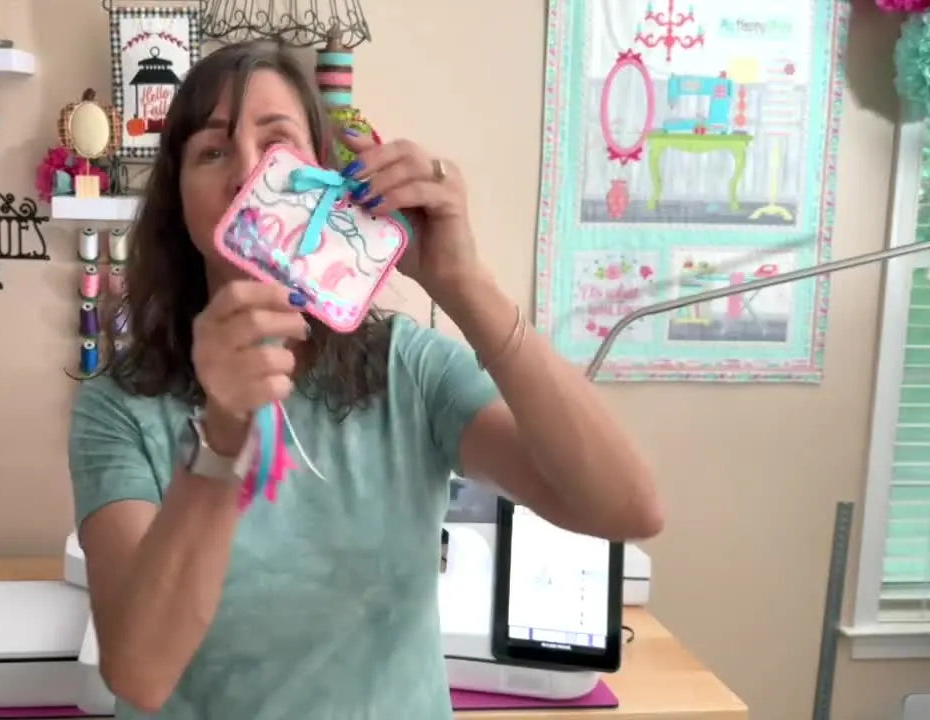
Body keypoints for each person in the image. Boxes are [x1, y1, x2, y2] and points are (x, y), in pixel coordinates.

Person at [69, 39, 663, 719]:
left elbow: (628, 508)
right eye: (211, 151)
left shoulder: (406, 368)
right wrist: (222, 436)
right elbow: (139, 674)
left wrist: (465, 284)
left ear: (327, 177)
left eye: (277, 142)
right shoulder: (116, 407)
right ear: (178, 203)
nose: (246, 170)